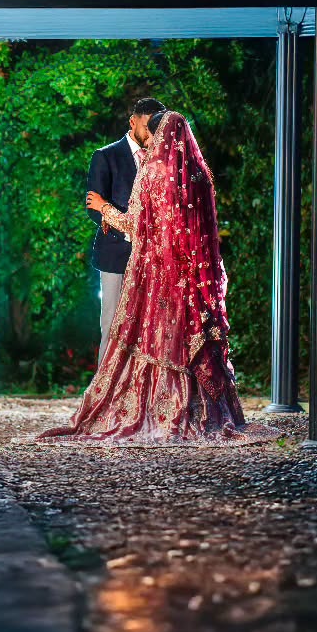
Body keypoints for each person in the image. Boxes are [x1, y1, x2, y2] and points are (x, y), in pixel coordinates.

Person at [38, 110, 278, 445]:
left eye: (153, 135)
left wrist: (104, 208)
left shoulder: (152, 171)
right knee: (187, 336)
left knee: (154, 336)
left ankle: (156, 408)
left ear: (161, 134)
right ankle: (203, 412)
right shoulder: (199, 174)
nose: (151, 142)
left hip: (156, 274)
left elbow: (135, 224)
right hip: (191, 276)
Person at [87, 97, 165, 366]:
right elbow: (93, 208)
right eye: (147, 126)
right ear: (132, 122)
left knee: (148, 328)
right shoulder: (105, 156)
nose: (151, 133)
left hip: (154, 258)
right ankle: (104, 385)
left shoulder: (162, 158)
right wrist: (131, 231)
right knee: (111, 324)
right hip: (115, 254)